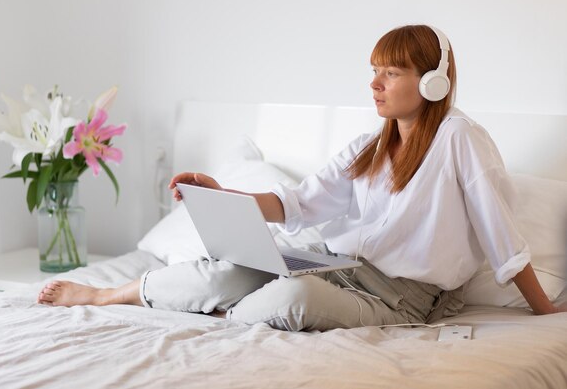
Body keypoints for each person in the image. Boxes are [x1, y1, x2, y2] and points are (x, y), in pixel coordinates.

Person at [37, 24, 565, 331]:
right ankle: (105, 297)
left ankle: (229, 309)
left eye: (391, 73)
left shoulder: (460, 139)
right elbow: (298, 203)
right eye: (375, 70)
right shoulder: (370, 145)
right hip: (338, 264)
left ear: (431, 81)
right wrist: (224, 195)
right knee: (225, 269)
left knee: (292, 301)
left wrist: (546, 311)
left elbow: (503, 238)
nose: (375, 84)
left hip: (404, 297)